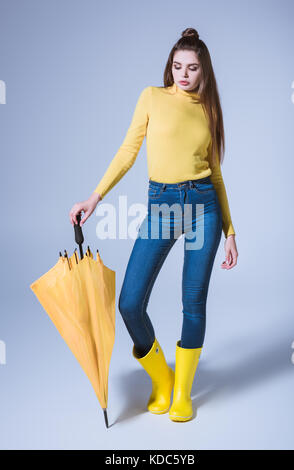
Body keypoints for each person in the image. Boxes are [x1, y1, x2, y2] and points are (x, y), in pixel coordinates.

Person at [69, 27, 238, 422]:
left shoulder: (208, 111)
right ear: (170, 67)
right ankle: (162, 378)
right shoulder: (152, 97)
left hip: (204, 207)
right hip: (162, 205)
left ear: (204, 72)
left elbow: (216, 175)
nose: (184, 74)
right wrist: (94, 197)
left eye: (192, 68)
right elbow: (129, 150)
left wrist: (231, 231)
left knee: (192, 302)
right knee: (130, 302)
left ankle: (183, 394)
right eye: (178, 66)